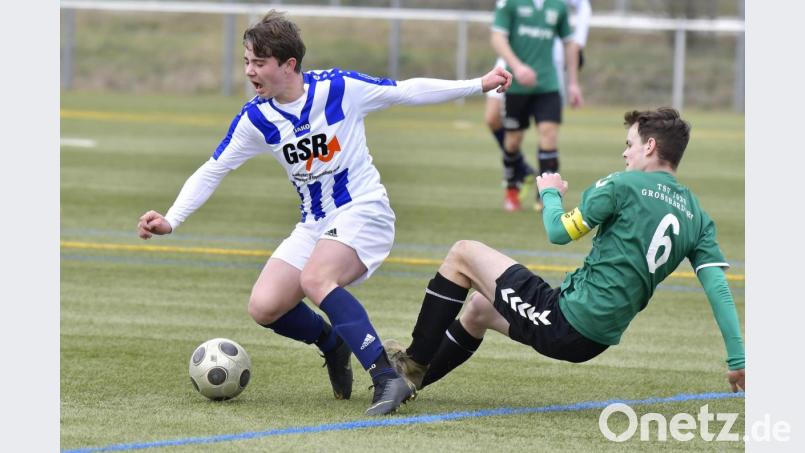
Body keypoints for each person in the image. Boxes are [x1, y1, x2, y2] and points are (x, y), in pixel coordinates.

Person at [136, 10, 512, 416]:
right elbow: (214, 168)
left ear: (289, 64)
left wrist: (479, 84)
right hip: (315, 222)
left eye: (258, 63)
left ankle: (386, 376)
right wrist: (173, 218)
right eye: (246, 61)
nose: (249, 72)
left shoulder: (339, 88)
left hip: (363, 210)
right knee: (264, 307)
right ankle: (332, 343)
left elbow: (406, 91)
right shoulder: (256, 118)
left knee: (317, 278)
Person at [385, 108, 746, 397]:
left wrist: (550, 192)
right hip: (596, 339)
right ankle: (411, 384)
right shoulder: (696, 214)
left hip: (567, 322)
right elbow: (718, 289)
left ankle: (413, 362)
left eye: (630, 144)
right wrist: (738, 360)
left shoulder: (622, 185)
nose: (625, 152)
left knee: (463, 254)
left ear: (650, 146)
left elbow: (558, 232)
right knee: (480, 308)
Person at [484, 0, 591, 202]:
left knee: (548, 135)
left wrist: (573, 83)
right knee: (513, 141)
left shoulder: (558, 6)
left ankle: (546, 198)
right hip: (516, 84)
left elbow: (569, 43)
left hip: (548, 84)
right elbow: (497, 37)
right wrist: (517, 67)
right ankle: (513, 185)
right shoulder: (510, 3)